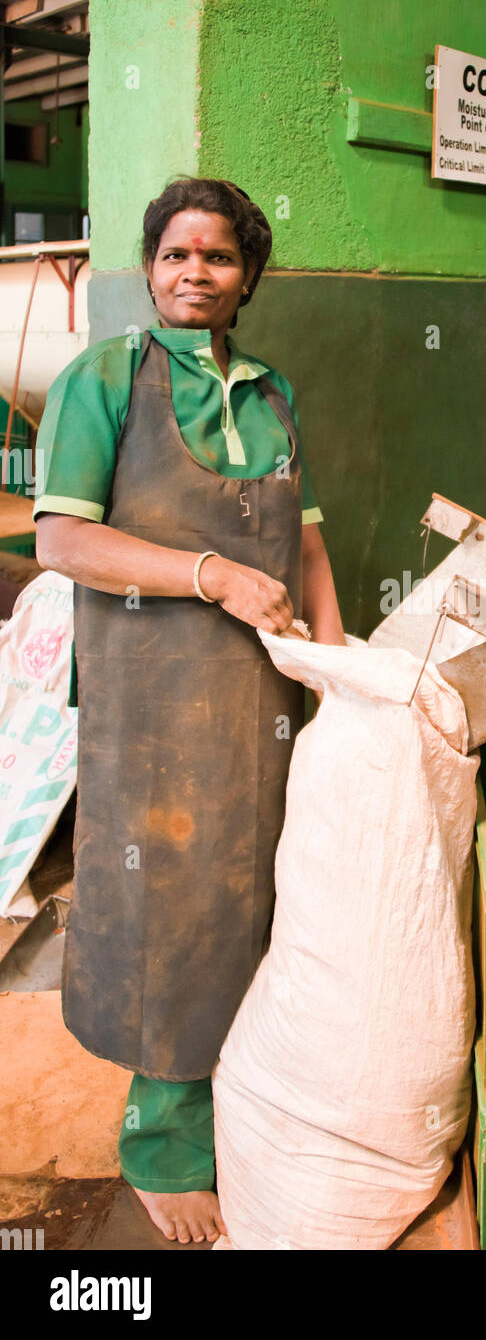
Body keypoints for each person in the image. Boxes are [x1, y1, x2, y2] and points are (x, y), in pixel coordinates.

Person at [34, 177, 345, 1245]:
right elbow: (63, 542)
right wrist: (209, 573)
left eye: (217, 256)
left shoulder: (271, 391)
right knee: (164, 911)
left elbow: (303, 541)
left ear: (245, 275)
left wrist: (335, 662)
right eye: (175, 254)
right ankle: (162, 1150)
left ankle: (236, 1107)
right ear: (151, 265)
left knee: (250, 902)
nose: (194, 272)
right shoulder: (104, 379)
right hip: (150, 698)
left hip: (255, 699)